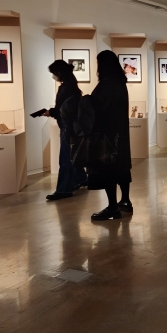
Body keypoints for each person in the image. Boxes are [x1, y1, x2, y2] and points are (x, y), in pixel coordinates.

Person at [89, 50, 133, 221]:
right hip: (120, 133)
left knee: (108, 170)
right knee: (122, 168)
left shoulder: (106, 84)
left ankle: (113, 207)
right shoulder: (120, 82)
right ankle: (125, 201)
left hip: (107, 135)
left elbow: (97, 107)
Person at [45, 60, 86, 200]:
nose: (53, 76)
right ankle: (81, 179)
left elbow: (63, 110)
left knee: (66, 157)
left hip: (67, 126)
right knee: (71, 154)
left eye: (54, 73)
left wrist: (50, 112)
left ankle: (64, 189)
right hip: (71, 125)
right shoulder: (72, 86)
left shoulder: (66, 88)